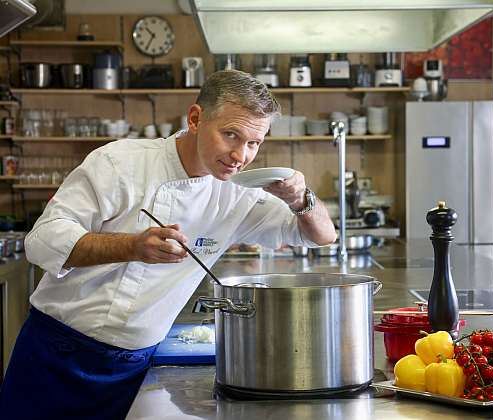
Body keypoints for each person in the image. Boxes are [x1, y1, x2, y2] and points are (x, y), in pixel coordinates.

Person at [0, 70, 336, 419]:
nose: (240, 156)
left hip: (137, 365)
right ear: (195, 119)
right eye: (230, 135)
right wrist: (131, 246)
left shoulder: (239, 192)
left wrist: (302, 200)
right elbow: (41, 242)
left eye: (254, 143)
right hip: (58, 354)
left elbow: (320, 237)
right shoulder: (118, 163)